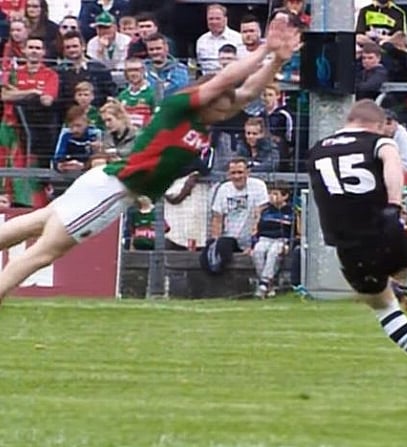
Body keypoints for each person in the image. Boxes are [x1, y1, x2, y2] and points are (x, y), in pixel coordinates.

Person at [0, 16, 301, 303]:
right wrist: (265, 47)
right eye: (223, 103)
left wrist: (277, 61)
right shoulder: (181, 105)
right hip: (115, 189)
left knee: (34, 224)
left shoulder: (199, 121)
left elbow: (246, 93)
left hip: (109, 181)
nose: (228, 110)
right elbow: (226, 80)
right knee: (42, 254)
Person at [307, 99, 407, 382]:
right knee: (404, 269)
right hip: (383, 228)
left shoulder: (316, 150)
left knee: (385, 308)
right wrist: (395, 205)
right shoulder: (379, 143)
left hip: (347, 243)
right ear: (377, 125)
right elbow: (392, 165)